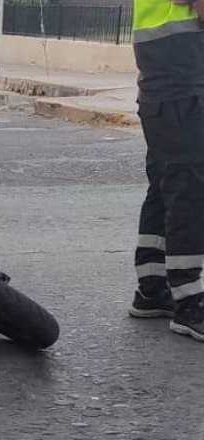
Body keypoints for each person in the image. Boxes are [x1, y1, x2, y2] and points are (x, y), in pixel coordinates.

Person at [128, 0, 204, 341]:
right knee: (189, 185)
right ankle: (189, 301)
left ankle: (152, 287)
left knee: (165, 184)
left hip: (166, 83)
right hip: (182, 81)